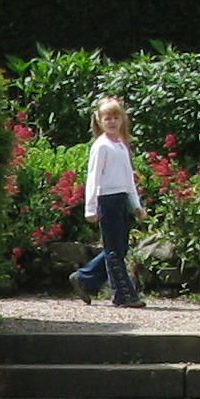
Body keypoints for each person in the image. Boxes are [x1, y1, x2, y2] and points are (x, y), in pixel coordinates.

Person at [70, 95, 143, 308]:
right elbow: (93, 177)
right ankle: (123, 294)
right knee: (113, 251)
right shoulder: (101, 146)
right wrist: (91, 208)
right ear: (99, 121)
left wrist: (136, 205)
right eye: (107, 118)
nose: (111, 122)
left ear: (122, 120)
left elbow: (129, 178)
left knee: (120, 248)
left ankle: (84, 278)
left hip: (121, 199)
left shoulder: (121, 146)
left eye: (115, 117)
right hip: (107, 200)